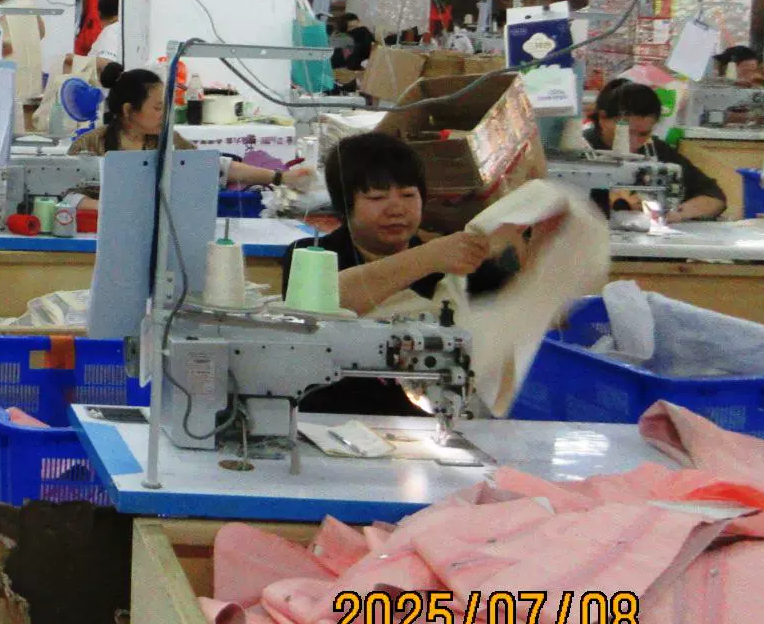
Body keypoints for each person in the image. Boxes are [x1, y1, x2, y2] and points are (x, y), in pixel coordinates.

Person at [280, 132, 522, 414]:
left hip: (422, 419)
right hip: (331, 418)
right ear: (345, 206)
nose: (396, 209)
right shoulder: (311, 255)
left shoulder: (456, 266)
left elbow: (518, 319)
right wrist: (428, 257)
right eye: (377, 197)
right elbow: (319, 305)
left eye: (408, 195)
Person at [90, 64, 313, 191]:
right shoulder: (92, 144)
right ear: (128, 110)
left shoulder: (169, 141)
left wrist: (281, 178)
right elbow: (73, 198)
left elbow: (216, 166)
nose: (165, 114)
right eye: (158, 107)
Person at [586, 78, 726, 220]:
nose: (634, 142)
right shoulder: (581, 149)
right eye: (625, 132)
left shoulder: (654, 149)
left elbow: (714, 197)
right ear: (602, 118)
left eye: (643, 134)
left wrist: (678, 213)